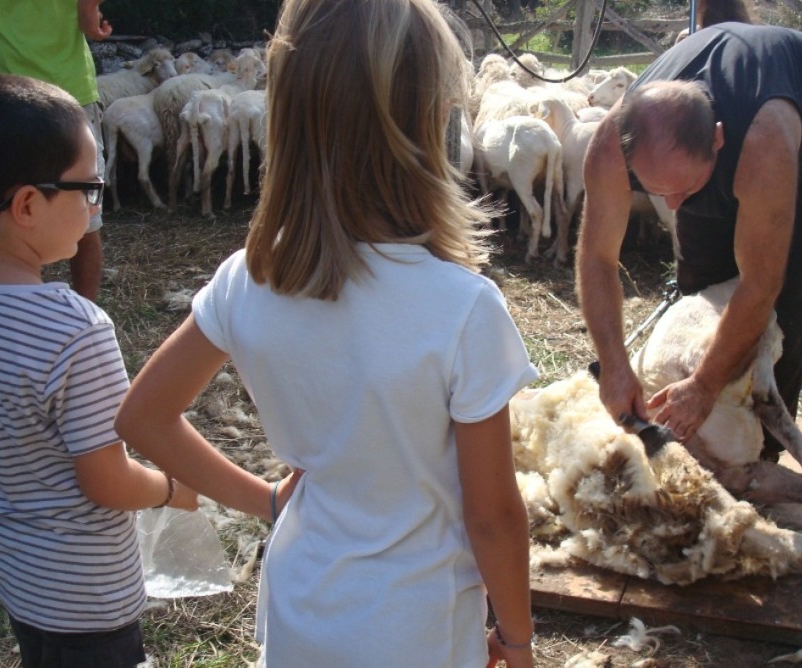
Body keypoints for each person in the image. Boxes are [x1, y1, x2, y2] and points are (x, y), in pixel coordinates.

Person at [114, 0, 539, 666]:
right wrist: (518, 639)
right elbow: (492, 517)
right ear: (428, 122)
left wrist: (271, 501)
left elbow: (143, 417)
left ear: (286, 113)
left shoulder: (245, 280)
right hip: (417, 627)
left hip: (300, 609)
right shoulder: (463, 309)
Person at [0, 73, 200, 667]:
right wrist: (172, 489)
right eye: (90, 187)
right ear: (28, 205)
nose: (95, 204)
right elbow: (106, 482)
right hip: (87, 591)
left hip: (14, 575)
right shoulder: (75, 331)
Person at [577, 22, 802, 459]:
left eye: (682, 189)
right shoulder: (612, 141)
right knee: (701, 273)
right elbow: (596, 257)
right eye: (655, 189)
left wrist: (706, 386)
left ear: (718, 140)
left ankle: (762, 450)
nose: (670, 203)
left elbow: (761, 283)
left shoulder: (766, 143)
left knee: (792, 286)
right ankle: (701, 433)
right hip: (719, 134)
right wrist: (613, 364)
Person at [0, 0, 112, 301]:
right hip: (5, 96)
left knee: (82, 209)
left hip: (40, 91)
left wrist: (88, 7)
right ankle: (16, 307)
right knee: (0, 216)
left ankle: (81, 305)